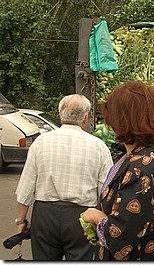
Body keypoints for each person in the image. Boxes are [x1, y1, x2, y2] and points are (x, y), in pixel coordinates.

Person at [81, 81, 154, 261]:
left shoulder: (140, 168)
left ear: (120, 119)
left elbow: (121, 236)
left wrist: (96, 217)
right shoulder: (153, 155)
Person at [15, 94, 113, 261]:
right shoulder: (98, 147)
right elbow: (106, 190)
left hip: (44, 216)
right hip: (82, 217)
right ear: (86, 118)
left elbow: (26, 186)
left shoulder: (40, 142)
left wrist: (21, 221)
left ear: (60, 115)